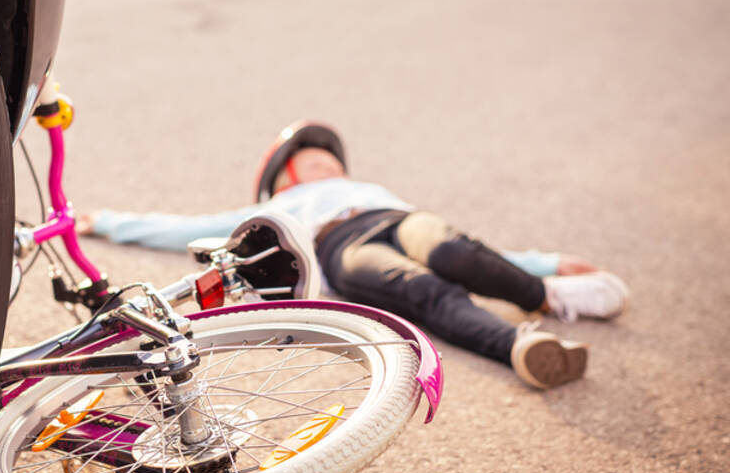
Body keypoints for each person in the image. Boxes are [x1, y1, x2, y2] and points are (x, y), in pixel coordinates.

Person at [78, 121, 630, 390]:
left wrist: (548, 261)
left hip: (400, 222)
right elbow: (184, 229)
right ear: (283, 179)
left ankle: (551, 296)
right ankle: (521, 347)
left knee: (454, 251)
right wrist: (104, 221)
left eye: (329, 162)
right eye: (312, 164)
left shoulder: (375, 190)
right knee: (421, 291)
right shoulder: (287, 203)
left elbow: (478, 251)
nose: (325, 167)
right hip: (343, 247)